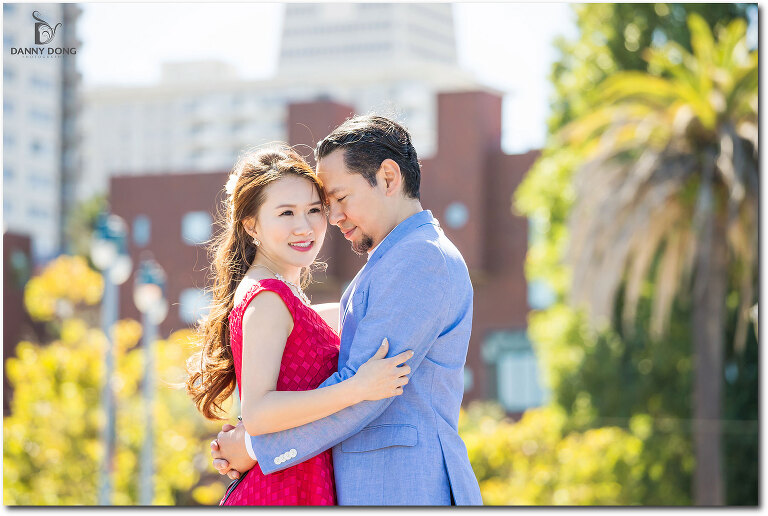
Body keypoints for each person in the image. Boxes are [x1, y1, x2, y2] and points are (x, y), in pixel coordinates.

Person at [211, 115, 483, 505]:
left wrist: (254, 447)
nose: (333, 217)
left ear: (388, 179)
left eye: (338, 199)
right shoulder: (388, 263)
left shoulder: (420, 258)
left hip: (405, 487)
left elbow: (366, 392)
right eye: (329, 204)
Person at [185, 145, 414, 505]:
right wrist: (359, 387)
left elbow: (331, 321)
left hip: (296, 483)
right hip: (282, 491)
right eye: (286, 213)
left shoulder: (282, 297)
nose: (304, 226)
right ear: (251, 224)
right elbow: (259, 414)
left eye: (313, 210)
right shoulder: (268, 299)